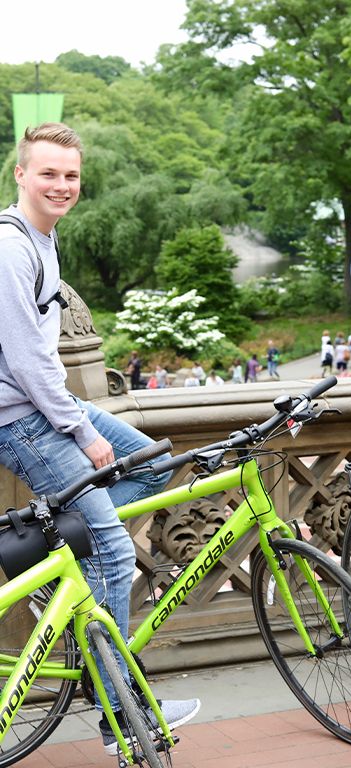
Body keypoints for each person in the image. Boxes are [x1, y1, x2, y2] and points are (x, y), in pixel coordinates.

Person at [0, 123, 200, 753]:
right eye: (49, 173)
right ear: (21, 175)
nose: (62, 186)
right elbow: (31, 365)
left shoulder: (42, 240)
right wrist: (81, 430)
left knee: (148, 463)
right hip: (22, 420)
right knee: (116, 554)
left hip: (41, 405)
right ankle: (122, 716)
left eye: (71, 176)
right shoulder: (12, 248)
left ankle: (71, 554)